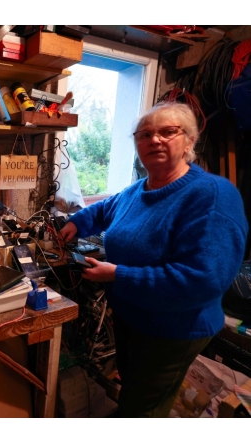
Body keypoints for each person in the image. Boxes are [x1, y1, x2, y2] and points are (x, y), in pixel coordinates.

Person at [59, 102, 248, 418]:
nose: (154, 140)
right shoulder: (140, 189)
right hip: (133, 317)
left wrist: (119, 275)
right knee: (134, 391)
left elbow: (202, 279)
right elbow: (106, 209)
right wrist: (76, 222)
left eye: (167, 131)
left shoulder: (211, 195)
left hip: (174, 328)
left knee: (145, 408)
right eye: (145, 134)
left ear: (189, 141)